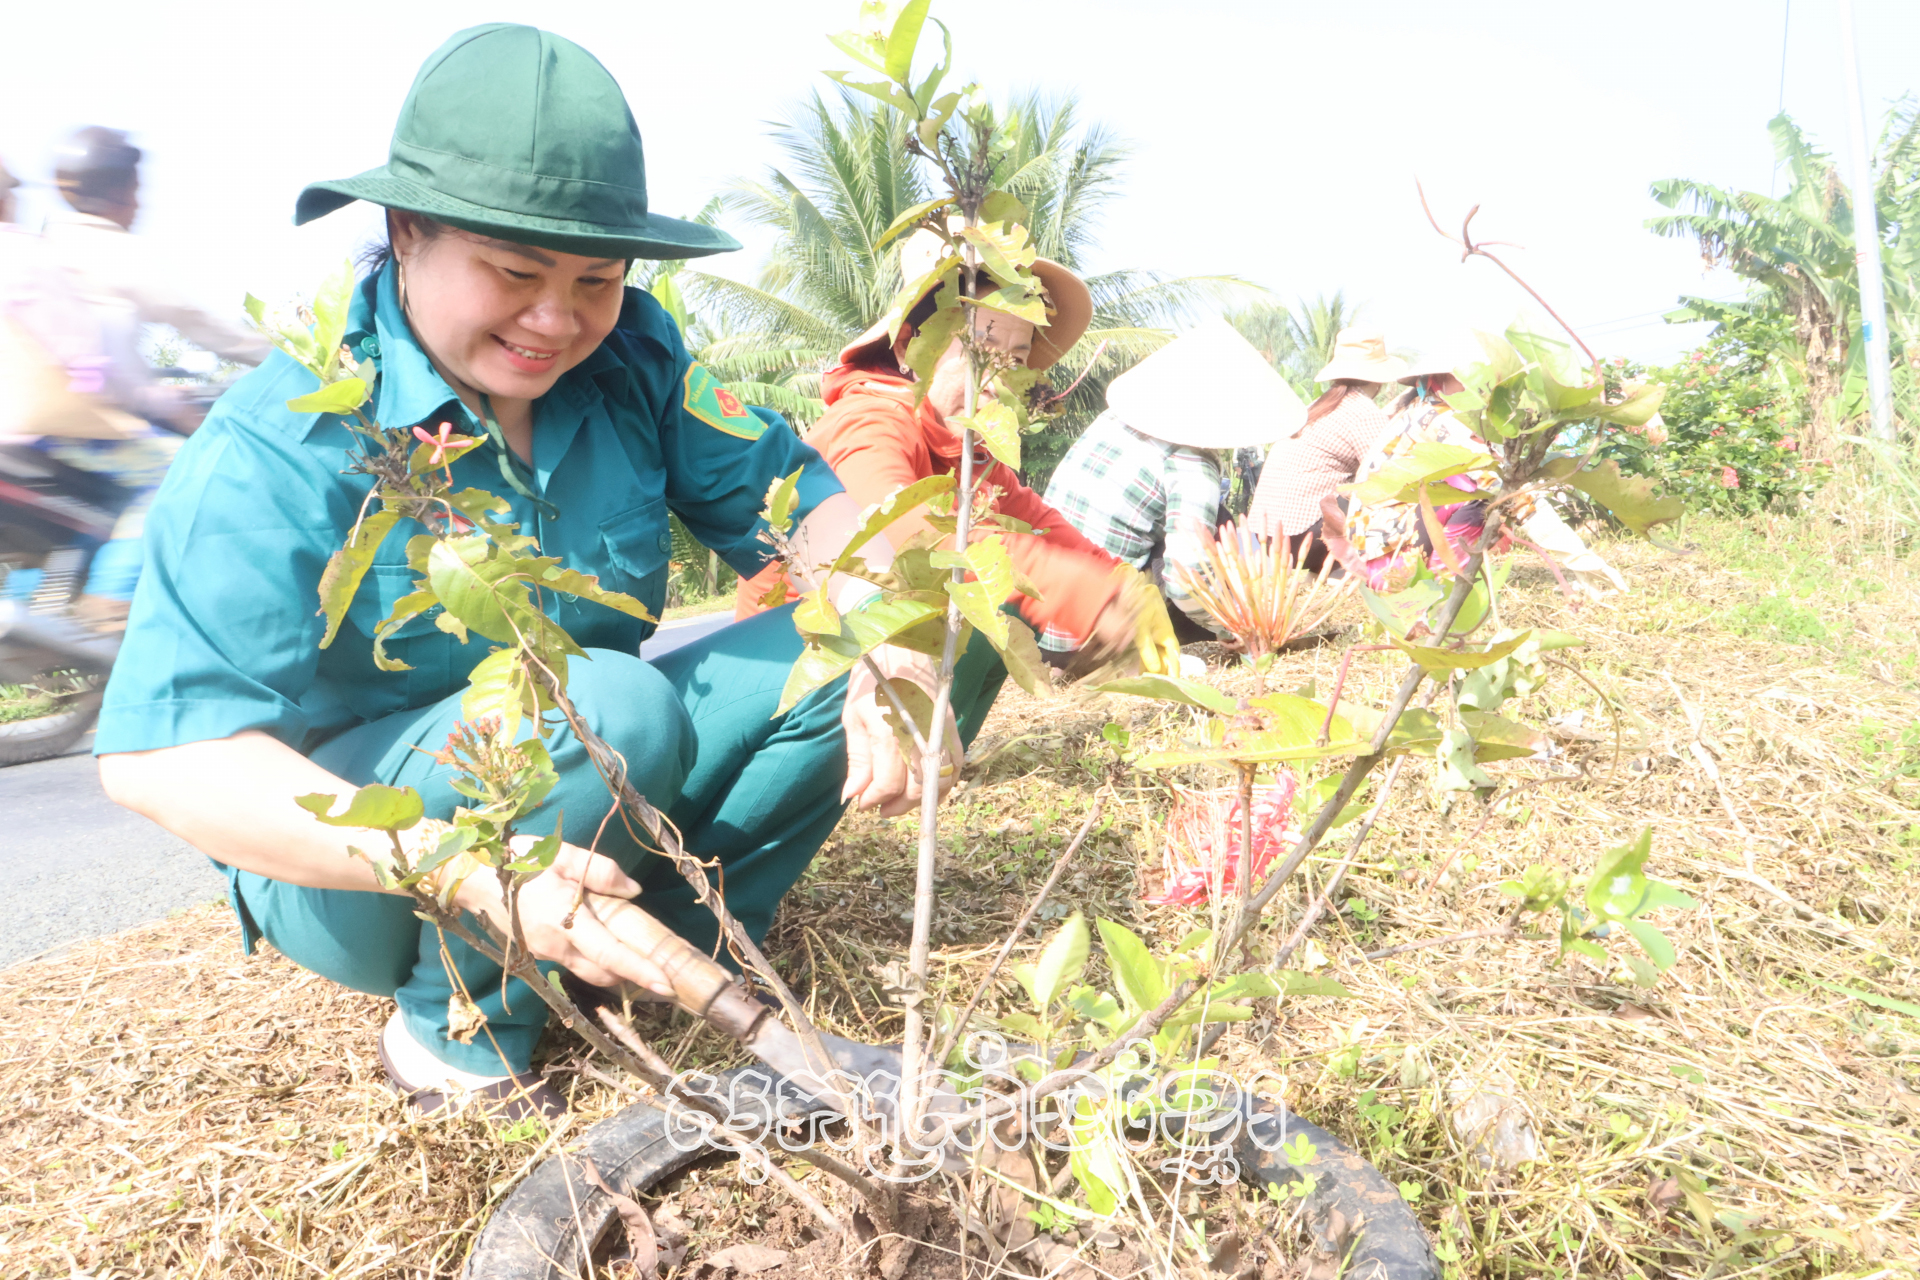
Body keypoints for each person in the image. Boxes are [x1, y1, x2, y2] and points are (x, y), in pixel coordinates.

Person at [95, 24, 953, 1120]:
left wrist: (888, 631)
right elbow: (164, 762)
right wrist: (456, 868)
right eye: (514, 272)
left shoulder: (636, 358)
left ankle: (646, 954)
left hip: (585, 788)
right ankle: (456, 1035)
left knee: (921, 629)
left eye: (597, 277)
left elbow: (815, 512)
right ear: (406, 232)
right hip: (362, 859)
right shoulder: (285, 439)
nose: (558, 320)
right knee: (604, 696)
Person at [733, 224, 1180, 689]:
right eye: (979, 347)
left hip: (878, 659)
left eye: (1016, 357)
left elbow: (1036, 519)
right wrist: (1087, 596)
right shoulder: (869, 419)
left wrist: (1122, 580)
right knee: (981, 613)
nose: (996, 377)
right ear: (909, 347)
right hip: (796, 666)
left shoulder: (968, 450)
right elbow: (903, 533)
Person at [1041, 320, 1305, 655]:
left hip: (1041, 622)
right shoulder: (1191, 463)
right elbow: (1184, 580)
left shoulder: (1113, 420)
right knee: (1211, 543)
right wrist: (1232, 626)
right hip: (1099, 637)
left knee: (1215, 521)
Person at [1246, 326, 1405, 570]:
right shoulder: (1362, 410)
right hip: (1304, 539)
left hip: (1267, 537)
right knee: (1396, 492)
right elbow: (1390, 475)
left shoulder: (1319, 405)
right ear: (1379, 378)